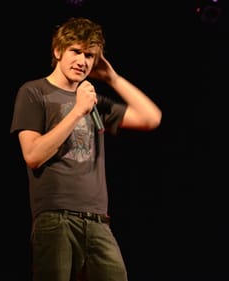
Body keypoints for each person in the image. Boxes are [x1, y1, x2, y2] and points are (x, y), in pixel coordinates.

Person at [10, 16, 162, 281]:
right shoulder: (34, 92)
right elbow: (33, 155)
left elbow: (151, 117)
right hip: (56, 219)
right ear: (58, 51)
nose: (83, 61)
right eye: (76, 51)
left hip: (98, 222)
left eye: (89, 55)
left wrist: (112, 78)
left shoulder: (93, 101)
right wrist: (78, 111)